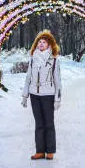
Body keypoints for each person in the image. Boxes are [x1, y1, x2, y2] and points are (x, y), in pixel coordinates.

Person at [21, 29, 62, 160]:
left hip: (48, 95)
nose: (41, 43)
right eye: (39, 41)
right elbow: (28, 77)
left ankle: (50, 151)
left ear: (49, 44)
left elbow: (58, 81)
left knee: (49, 123)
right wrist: (25, 95)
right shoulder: (33, 59)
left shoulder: (54, 60)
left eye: (44, 42)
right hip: (34, 95)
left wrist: (57, 99)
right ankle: (40, 151)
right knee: (39, 123)